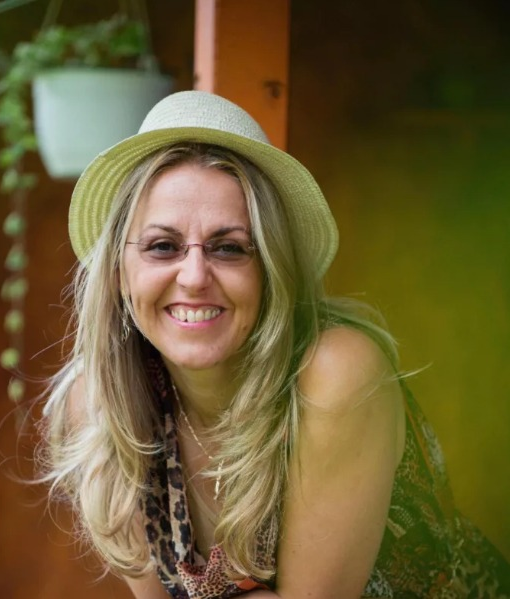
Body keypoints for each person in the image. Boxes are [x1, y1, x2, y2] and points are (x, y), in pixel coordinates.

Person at [41, 90, 510, 598]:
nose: (194, 276)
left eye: (229, 248)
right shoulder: (98, 407)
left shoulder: (335, 375)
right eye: (163, 246)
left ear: (272, 270)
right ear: (119, 272)